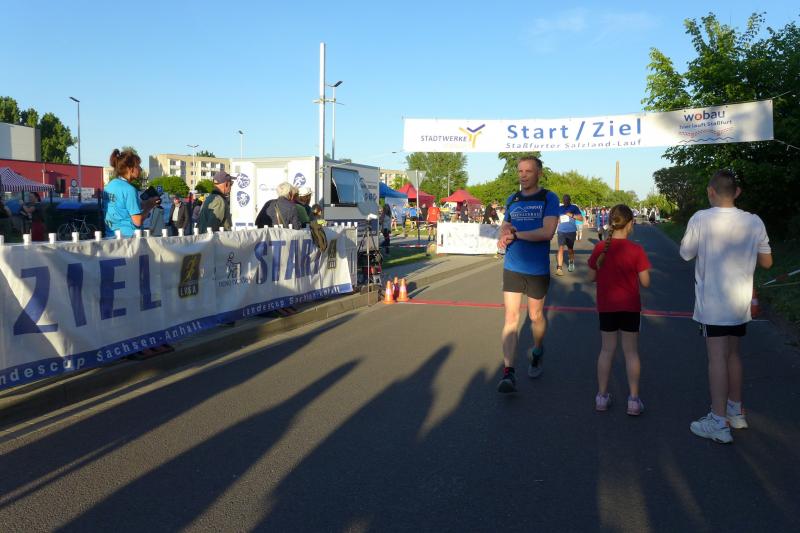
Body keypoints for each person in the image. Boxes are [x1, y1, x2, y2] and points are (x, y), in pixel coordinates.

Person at [679, 170, 772, 444]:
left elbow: (686, 253)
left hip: (712, 304)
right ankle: (735, 410)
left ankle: (718, 422)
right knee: (733, 355)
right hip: (739, 302)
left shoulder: (701, 218)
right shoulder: (754, 221)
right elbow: (767, 262)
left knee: (717, 358)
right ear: (737, 192)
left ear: (711, 191)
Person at [496, 156, 560, 393]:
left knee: (535, 316)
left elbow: (547, 232)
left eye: (528, 171)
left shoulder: (548, 198)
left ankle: (538, 350)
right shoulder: (512, 198)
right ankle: (508, 372)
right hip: (512, 265)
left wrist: (517, 235)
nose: (523, 175)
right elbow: (505, 224)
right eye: (520, 171)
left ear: (539, 173)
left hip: (537, 268)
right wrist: (504, 232)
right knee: (511, 317)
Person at [588, 204, 651, 415]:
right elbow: (646, 282)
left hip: (607, 306)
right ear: (630, 224)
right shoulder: (636, 250)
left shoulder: (600, 248)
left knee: (606, 350)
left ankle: (601, 396)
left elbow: (591, 277)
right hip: (630, 306)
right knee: (631, 352)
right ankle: (633, 400)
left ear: (609, 223)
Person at [103, 148, 158, 237]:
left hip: (111, 236)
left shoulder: (110, 186)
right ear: (129, 168)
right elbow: (137, 221)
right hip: (128, 238)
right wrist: (149, 207)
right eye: (138, 166)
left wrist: (145, 204)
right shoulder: (129, 189)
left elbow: (122, 207)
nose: (140, 169)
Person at [555, 194, 583, 275]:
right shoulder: (559, 208)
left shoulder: (574, 207)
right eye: (564, 200)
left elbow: (581, 218)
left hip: (571, 231)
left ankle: (571, 262)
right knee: (560, 248)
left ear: (570, 200)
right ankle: (559, 268)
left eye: (567, 200)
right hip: (561, 231)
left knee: (570, 249)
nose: (565, 201)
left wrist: (571, 215)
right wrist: (558, 220)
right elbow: (556, 218)